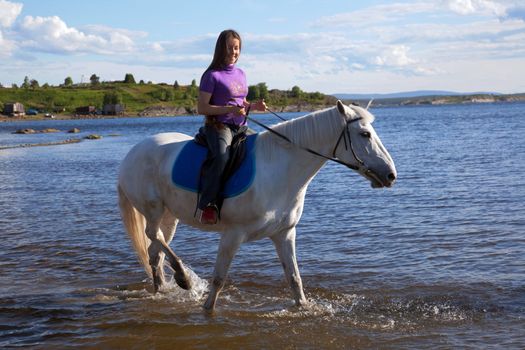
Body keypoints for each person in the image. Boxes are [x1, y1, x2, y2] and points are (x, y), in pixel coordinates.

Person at [197, 29, 266, 224]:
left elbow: (241, 103)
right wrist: (228, 109)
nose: (234, 52)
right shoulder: (211, 75)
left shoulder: (241, 74)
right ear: (221, 49)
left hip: (241, 127)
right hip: (219, 126)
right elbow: (201, 107)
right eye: (230, 48)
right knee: (221, 156)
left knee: (264, 148)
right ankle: (208, 205)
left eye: (237, 48)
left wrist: (254, 106)